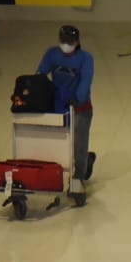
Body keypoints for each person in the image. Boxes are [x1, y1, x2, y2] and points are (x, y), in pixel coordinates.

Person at [36, 25, 96, 184]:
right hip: (57, 106)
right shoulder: (52, 54)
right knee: (56, 141)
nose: (66, 44)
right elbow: (41, 73)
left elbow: (86, 81)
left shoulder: (86, 59)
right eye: (64, 41)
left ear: (77, 42)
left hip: (80, 108)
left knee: (79, 144)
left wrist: (78, 98)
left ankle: (79, 175)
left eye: (70, 41)